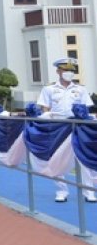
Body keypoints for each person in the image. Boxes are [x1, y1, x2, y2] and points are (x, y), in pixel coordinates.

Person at [37, 57, 97, 202]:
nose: (69, 73)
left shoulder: (80, 89)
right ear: (58, 71)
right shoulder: (49, 89)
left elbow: (86, 109)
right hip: (58, 127)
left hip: (78, 127)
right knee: (57, 158)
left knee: (83, 158)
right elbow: (45, 107)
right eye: (66, 70)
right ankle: (61, 191)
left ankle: (89, 191)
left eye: (71, 70)